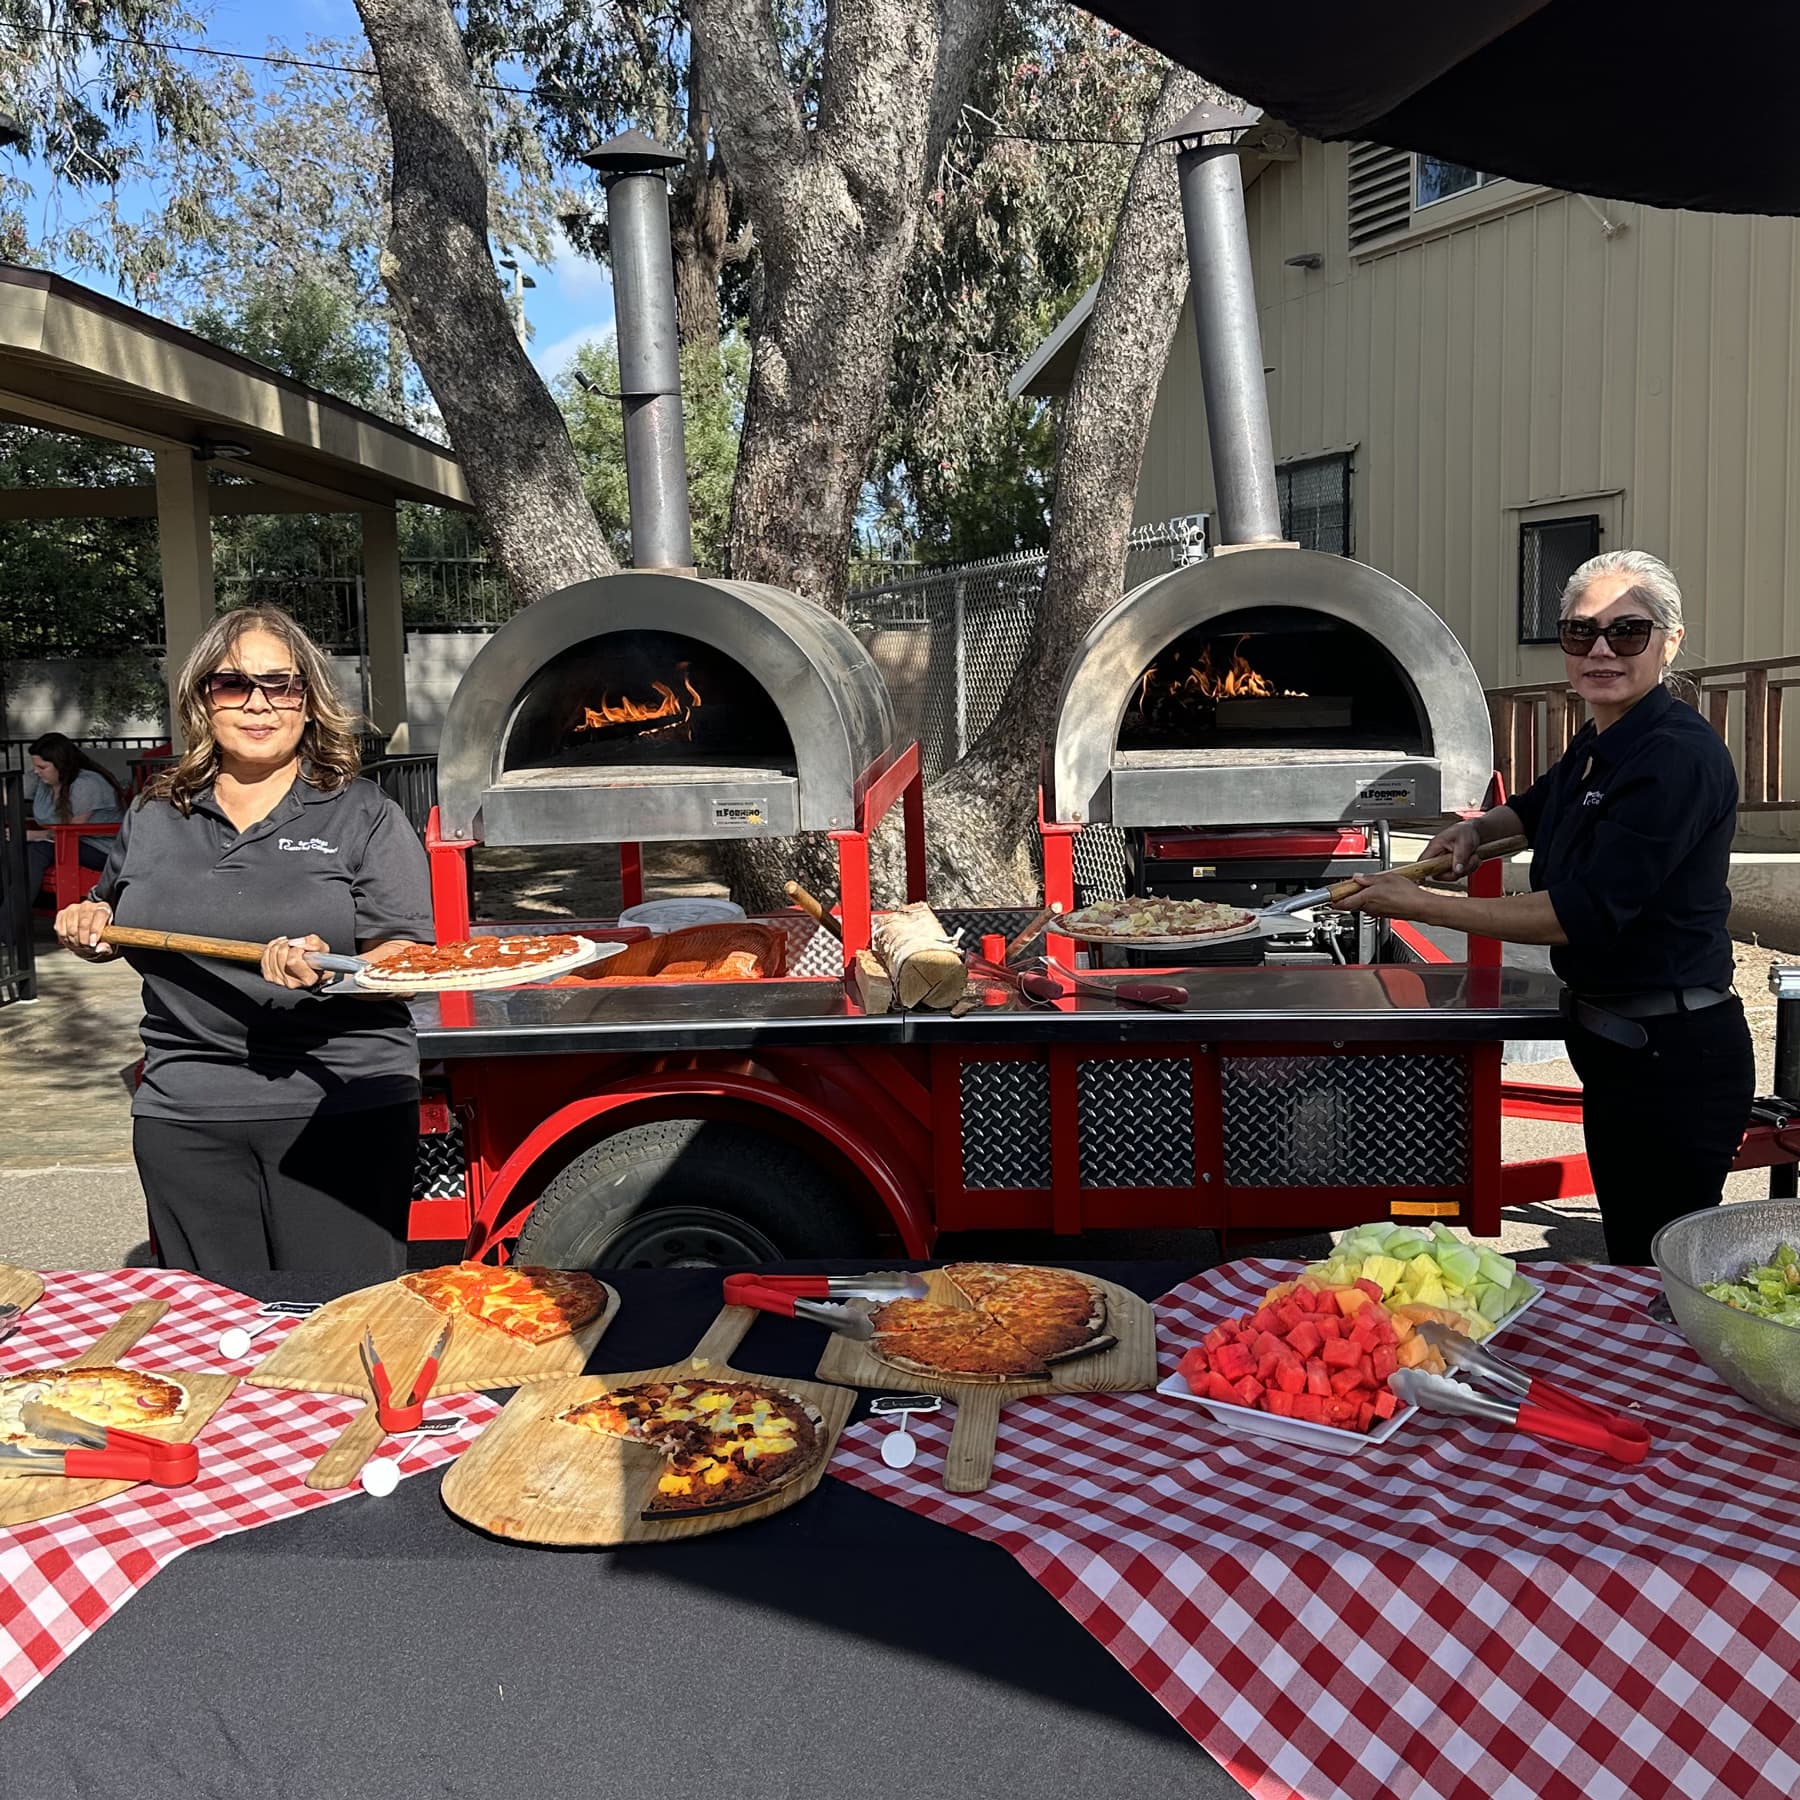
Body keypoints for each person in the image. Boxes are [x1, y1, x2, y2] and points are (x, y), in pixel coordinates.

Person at [1337, 549, 1753, 1265]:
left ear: (1670, 641)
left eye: (1627, 633)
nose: (1600, 650)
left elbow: (1576, 913)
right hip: (1620, 1048)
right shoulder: (1603, 738)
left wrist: (1418, 904)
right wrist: (1476, 832)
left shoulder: (1675, 755)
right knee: (1632, 1256)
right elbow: (1531, 810)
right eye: (1580, 632)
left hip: (1676, 1058)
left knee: (1664, 1275)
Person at [54, 605, 434, 1276]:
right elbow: (116, 910)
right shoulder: (154, 811)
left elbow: (410, 958)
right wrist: (90, 925)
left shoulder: (361, 812)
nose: (259, 704)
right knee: (216, 1340)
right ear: (203, 700)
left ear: (309, 701)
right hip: (185, 1111)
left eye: (281, 685)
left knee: (338, 1334)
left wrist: (335, 970)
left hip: (338, 1107)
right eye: (233, 684)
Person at [24, 732, 128, 904]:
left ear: (61, 765)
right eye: (35, 766)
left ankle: (11, 921)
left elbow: (72, 831)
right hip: (67, 844)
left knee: (38, 850)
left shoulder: (86, 785)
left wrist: (33, 836)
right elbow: (11, 792)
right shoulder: (43, 782)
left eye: (42, 767)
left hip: (101, 848)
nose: (36, 771)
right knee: (11, 849)